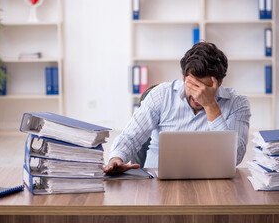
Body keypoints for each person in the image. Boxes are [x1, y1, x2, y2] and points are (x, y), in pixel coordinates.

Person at [105, 42, 251, 174]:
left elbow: (235, 158)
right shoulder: (161, 95)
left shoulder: (237, 103)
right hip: (157, 183)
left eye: (205, 89)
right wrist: (116, 158)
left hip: (210, 183)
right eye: (193, 86)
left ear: (219, 83)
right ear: (183, 78)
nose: (198, 95)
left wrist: (210, 105)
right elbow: (131, 136)